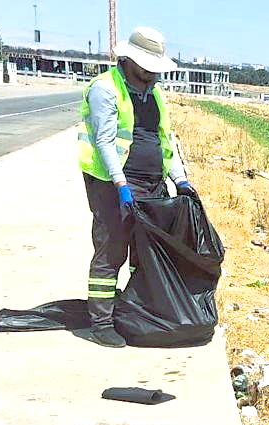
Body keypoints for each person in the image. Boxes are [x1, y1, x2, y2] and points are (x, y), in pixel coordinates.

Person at [77, 26, 193, 348]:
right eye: (147, 68)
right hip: (112, 185)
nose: (152, 75)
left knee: (146, 253)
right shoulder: (106, 89)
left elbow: (165, 142)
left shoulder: (154, 94)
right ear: (129, 60)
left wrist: (180, 179)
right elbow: (104, 141)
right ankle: (101, 323)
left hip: (152, 185)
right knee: (111, 251)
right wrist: (121, 185)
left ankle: (134, 314)